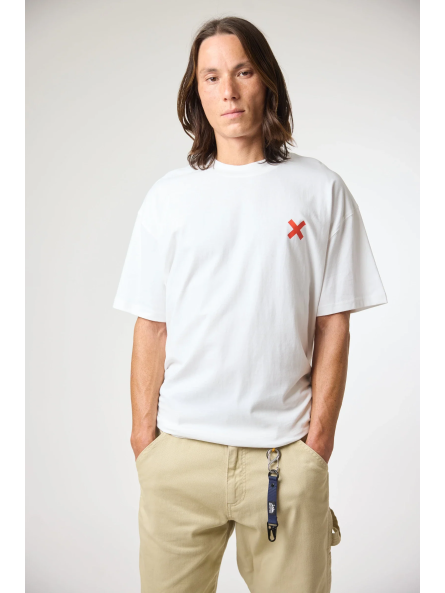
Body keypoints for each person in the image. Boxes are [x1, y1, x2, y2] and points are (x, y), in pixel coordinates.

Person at [113, 16, 388, 593]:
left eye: (242, 72)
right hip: (179, 456)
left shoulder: (319, 189)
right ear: (196, 92)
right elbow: (152, 325)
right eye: (211, 77)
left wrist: (317, 445)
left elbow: (333, 324)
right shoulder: (168, 198)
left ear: (267, 80)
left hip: (283, 457)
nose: (228, 91)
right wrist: (145, 442)